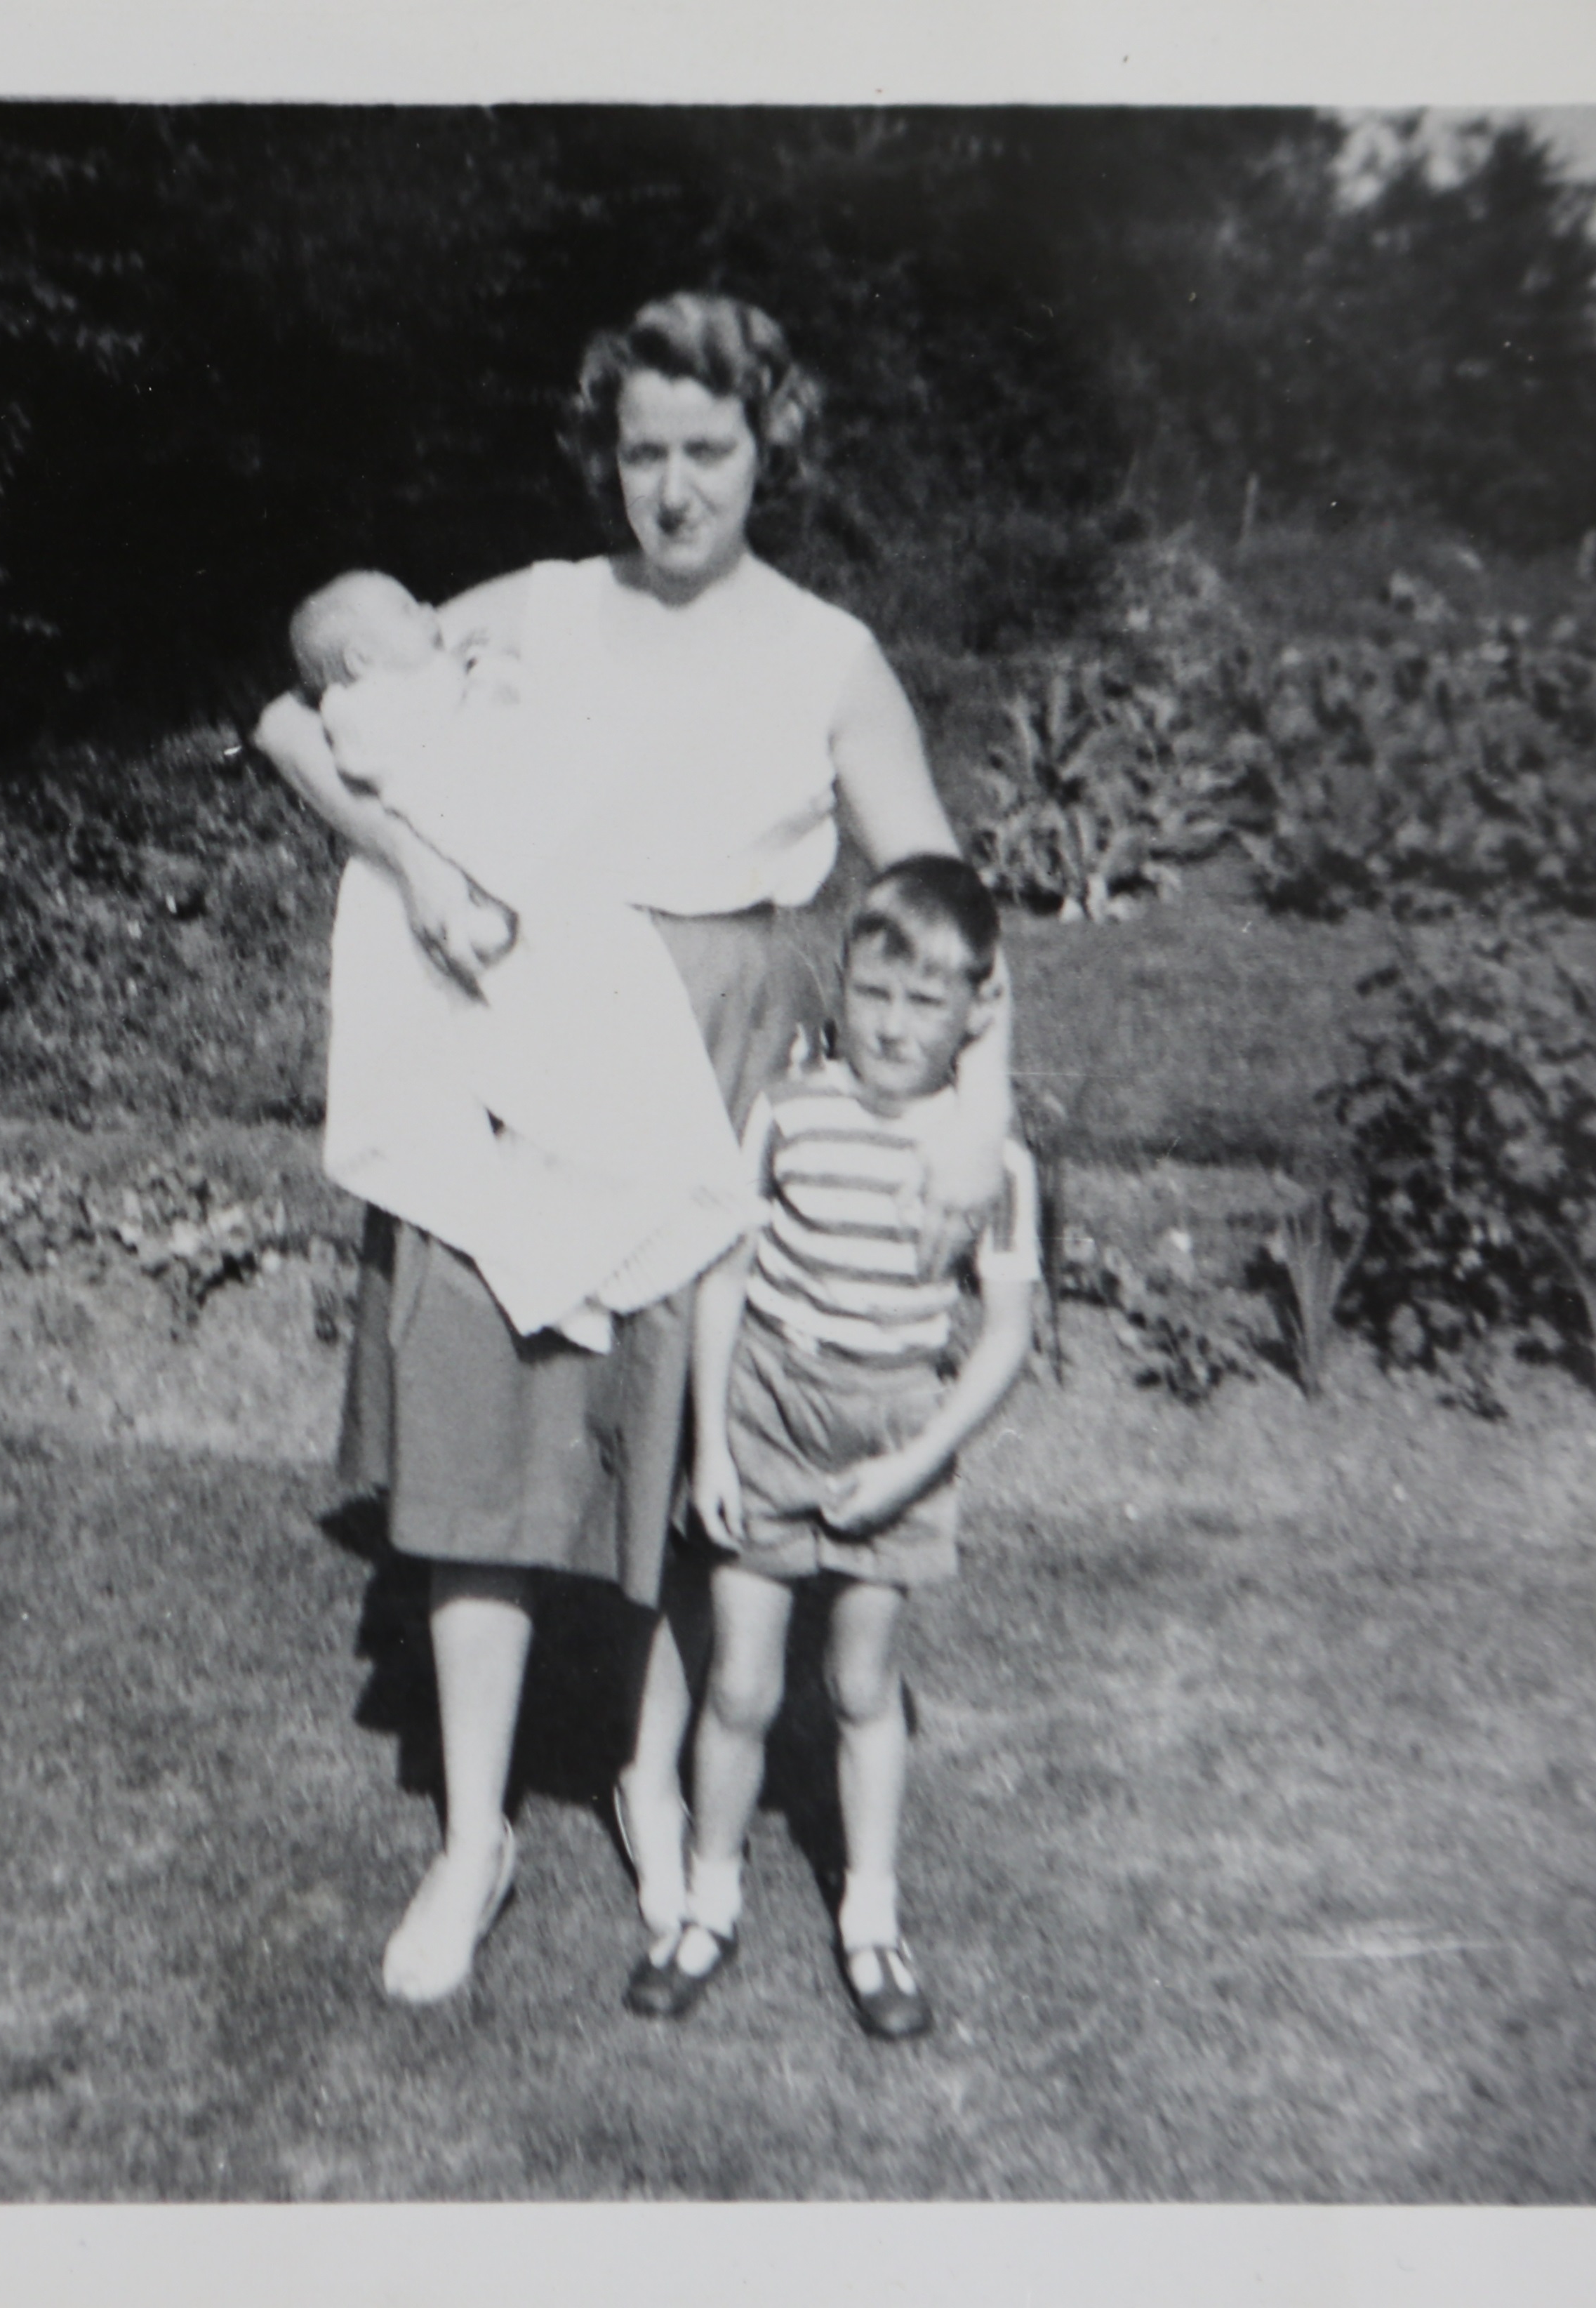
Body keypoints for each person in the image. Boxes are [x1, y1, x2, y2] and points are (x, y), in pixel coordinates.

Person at [249, 291, 1014, 2005]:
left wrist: (972, 1106)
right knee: (487, 1424)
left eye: (709, 452)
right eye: (644, 451)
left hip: (721, 1048)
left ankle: (654, 1783)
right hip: (522, 1033)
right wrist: (420, 862)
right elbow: (305, 719)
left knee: (687, 1464)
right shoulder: (539, 605)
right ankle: (473, 1838)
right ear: (611, 455)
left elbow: (946, 902)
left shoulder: (827, 653)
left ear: (770, 451)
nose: (672, 490)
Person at [629, 854, 1037, 2037]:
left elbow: (1004, 1338)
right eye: (873, 993)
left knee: (861, 1684)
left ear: (972, 1013)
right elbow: (728, 1279)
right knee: (745, 1683)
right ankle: (707, 1904)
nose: (894, 1023)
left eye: (925, 1002)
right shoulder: (792, 1112)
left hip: (894, 1429)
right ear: (842, 987)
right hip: (768, 1410)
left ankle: (871, 1918)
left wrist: (917, 1466)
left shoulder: (988, 1164)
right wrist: (713, 1445)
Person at [289, 567, 757, 1351]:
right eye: (409, 609)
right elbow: (404, 752)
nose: (431, 607)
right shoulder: (367, 703)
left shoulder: (416, 673)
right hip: (453, 850)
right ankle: (555, 1259)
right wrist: (476, 678)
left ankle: (566, 1254)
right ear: (364, 658)